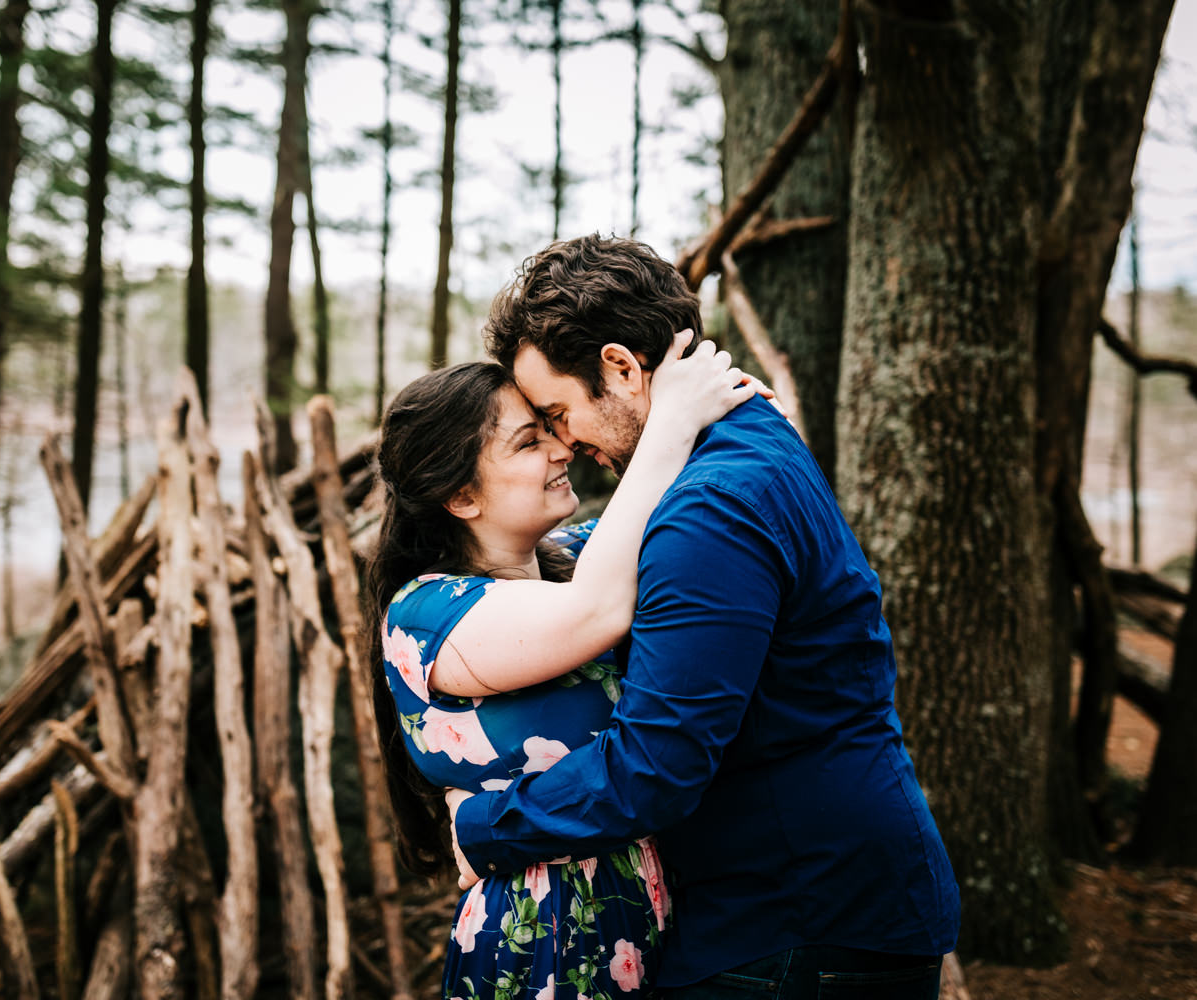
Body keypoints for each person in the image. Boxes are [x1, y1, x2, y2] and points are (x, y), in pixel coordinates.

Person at [445, 234, 961, 999]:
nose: (565, 442)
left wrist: (485, 827)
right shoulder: (742, 445)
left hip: (795, 920)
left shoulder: (710, 508)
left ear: (621, 368)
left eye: (559, 411)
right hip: (811, 903)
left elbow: (658, 762)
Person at [367, 333, 760, 998]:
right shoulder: (428, 615)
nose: (562, 449)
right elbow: (598, 610)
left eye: (551, 428)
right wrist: (671, 420)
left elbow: (664, 520)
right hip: (545, 942)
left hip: (650, 921)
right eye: (529, 441)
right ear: (462, 496)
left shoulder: (568, 559)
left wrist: (719, 406)